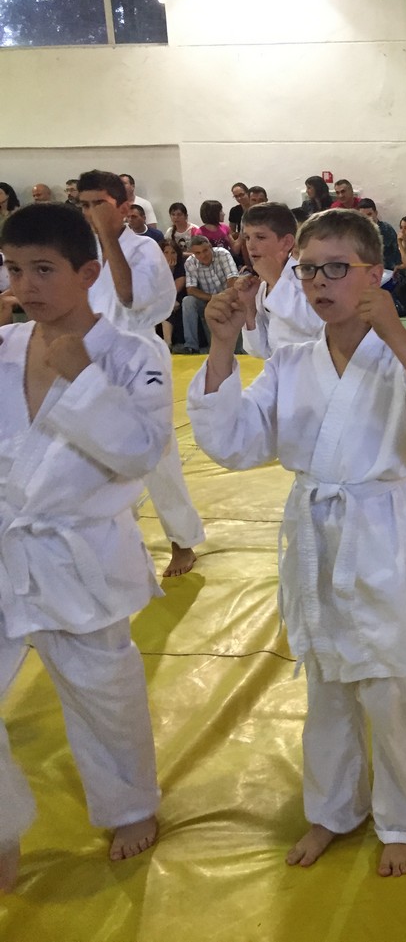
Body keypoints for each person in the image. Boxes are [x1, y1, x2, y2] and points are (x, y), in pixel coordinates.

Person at [187, 207, 406, 878]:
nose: (319, 282)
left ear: (374, 275)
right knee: (326, 683)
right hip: (314, 536)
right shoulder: (291, 361)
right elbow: (234, 442)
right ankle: (333, 808)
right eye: (308, 269)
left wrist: (397, 334)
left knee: (389, 687)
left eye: (336, 268)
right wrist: (223, 347)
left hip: (377, 534)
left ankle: (401, 818)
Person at [0, 203, 168, 881]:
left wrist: (85, 379)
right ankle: (3, 831)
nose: (26, 285)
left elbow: (140, 454)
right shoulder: (4, 347)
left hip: (80, 551)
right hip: (8, 546)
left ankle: (130, 806)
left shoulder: (131, 356)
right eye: (14, 269)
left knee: (105, 694)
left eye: (44, 269)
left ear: (88, 273)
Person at [77, 169, 205, 577]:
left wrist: (110, 238)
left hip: (139, 358)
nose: (91, 213)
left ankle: (182, 540)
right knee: (101, 456)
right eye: (84, 205)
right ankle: (118, 539)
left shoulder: (143, 248)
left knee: (157, 456)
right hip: (94, 359)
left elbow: (130, 297)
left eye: (99, 204)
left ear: (124, 207)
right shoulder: (82, 253)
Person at [237, 202, 325, 359]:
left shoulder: (311, 275)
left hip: (312, 367)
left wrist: (276, 281)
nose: (251, 246)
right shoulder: (263, 286)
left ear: (287, 242)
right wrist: (249, 306)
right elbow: (260, 351)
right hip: (278, 369)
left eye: (260, 237)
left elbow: (316, 324)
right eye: (247, 238)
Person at [180, 235, 239, 353]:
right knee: (187, 301)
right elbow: (191, 289)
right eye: (198, 253)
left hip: (228, 299)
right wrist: (213, 298)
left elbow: (233, 279)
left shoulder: (223, 254)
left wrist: (223, 299)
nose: (203, 255)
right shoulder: (190, 262)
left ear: (210, 247)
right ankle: (191, 346)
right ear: (193, 253)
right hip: (207, 301)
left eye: (205, 250)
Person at [159, 238, 187, 349]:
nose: (169, 255)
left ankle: (167, 343)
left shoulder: (181, 266)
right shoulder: (155, 267)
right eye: (166, 252)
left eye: (173, 252)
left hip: (178, 297)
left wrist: (170, 270)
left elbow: (174, 290)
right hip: (160, 298)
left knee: (168, 305)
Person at [357, 198, 401, 269]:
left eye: (369, 214)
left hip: (388, 269)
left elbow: (396, 256)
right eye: (363, 216)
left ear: (376, 213)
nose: (367, 218)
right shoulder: (357, 233)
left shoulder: (387, 230)